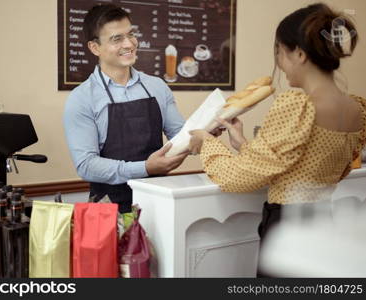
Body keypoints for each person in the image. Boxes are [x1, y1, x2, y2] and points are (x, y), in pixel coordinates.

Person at [188, 3, 366, 275]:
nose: (280, 65)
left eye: (279, 53)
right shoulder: (356, 109)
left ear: (299, 53)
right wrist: (244, 144)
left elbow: (241, 177)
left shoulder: (298, 104)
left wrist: (207, 142)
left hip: (288, 226)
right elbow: (309, 163)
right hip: (323, 221)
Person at [63, 4, 190, 213]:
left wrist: (204, 132)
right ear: (95, 48)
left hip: (158, 205)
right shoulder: (81, 99)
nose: (129, 43)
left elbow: (180, 135)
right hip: (107, 212)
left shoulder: (156, 86)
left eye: (131, 34)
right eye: (117, 39)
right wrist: (145, 168)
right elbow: (86, 165)